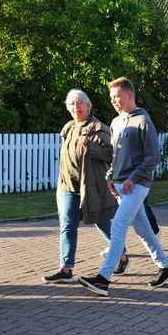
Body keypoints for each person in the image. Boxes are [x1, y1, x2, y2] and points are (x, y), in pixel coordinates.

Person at [78, 77, 168, 297]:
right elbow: (115, 155)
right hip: (120, 184)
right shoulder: (116, 122)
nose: (114, 101)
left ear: (129, 95)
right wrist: (110, 177)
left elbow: (153, 157)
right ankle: (165, 266)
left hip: (137, 185)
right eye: (111, 97)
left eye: (117, 96)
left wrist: (133, 178)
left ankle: (103, 278)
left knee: (118, 225)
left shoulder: (143, 120)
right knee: (143, 229)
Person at [42, 89, 129, 284]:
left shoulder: (99, 128)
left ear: (88, 106)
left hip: (91, 187)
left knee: (101, 221)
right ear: (68, 108)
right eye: (72, 104)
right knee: (67, 225)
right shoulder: (68, 128)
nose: (76, 106)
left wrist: (91, 149)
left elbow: (112, 155)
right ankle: (66, 269)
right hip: (68, 186)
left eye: (80, 102)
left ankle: (121, 254)